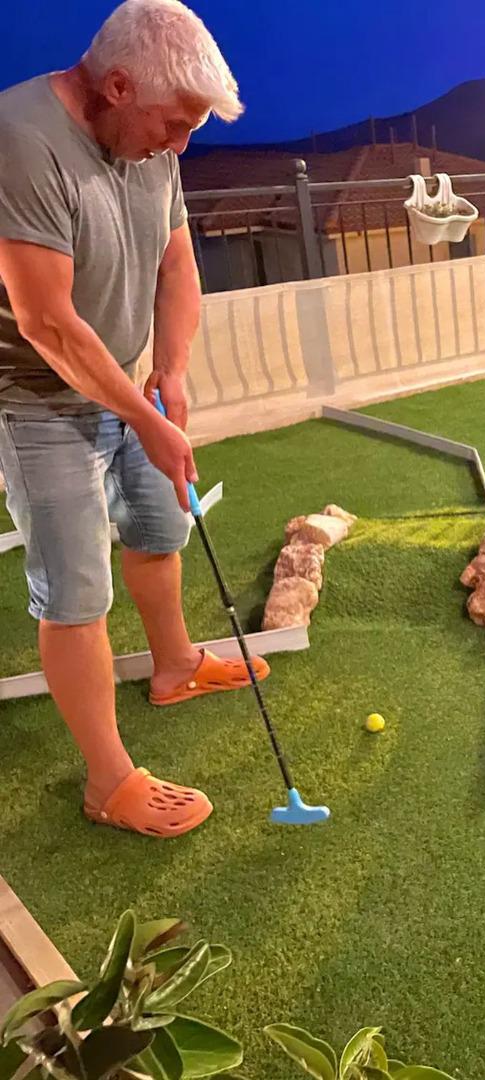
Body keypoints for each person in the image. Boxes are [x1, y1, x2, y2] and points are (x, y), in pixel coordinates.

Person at [0, 0, 264, 838]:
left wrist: (171, 371)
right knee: (76, 591)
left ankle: (175, 666)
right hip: (36, 399)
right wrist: (145, 420)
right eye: (174, 124)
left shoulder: (148, 142)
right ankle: (108, 781)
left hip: (124, 383)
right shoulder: (20, 139)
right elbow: (45, 323)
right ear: (117, 86)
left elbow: (176, 262)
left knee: (158, 525)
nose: (179, 145)